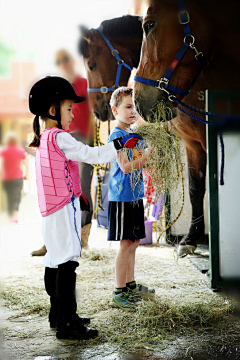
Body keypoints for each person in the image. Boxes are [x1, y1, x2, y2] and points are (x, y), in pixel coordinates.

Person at [28, 76, 142, 340]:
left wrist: (78, 194)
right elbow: (92, 156)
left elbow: (56, 173)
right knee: (68, 261)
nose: (73, 113)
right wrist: (119, 143)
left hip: (50, 209)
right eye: (68, 109)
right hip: (61, 209)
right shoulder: (60, 138)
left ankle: (58, 315)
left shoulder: (44, 138)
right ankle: (69, 324)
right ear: (53, 110)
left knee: (54, 259)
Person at [31, 49, 93, 256]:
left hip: (82, 138)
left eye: (65, 59)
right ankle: (52, 240)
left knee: (81, 187)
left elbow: (96, 111)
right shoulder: (57, 89)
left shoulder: (84, 84)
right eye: (59, 61)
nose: (63, 63)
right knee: (54, 188)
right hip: (62, 137)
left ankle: (81, 238)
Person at [107, 87, 154, 311]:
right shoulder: (117, 136)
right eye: (128, 106)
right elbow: (125, 167)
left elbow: (144, 155)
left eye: (135, 107)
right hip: (123, 197)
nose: (133, 111)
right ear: (115, 110)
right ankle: (119, 291)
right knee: (125, 244)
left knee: (134, 242)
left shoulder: (135, 135)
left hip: (136, 195)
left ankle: (130, 285)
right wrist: (146, 157)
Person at [0, 132, 28, 223]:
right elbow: (26, 164)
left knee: (9, 196)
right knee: (16, 197)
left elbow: (1, 164)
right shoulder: (20, 150)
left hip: (6, 178)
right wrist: (26, 174)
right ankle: (14, 217)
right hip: (17, 178)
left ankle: (9, 216)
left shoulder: (3, 151)